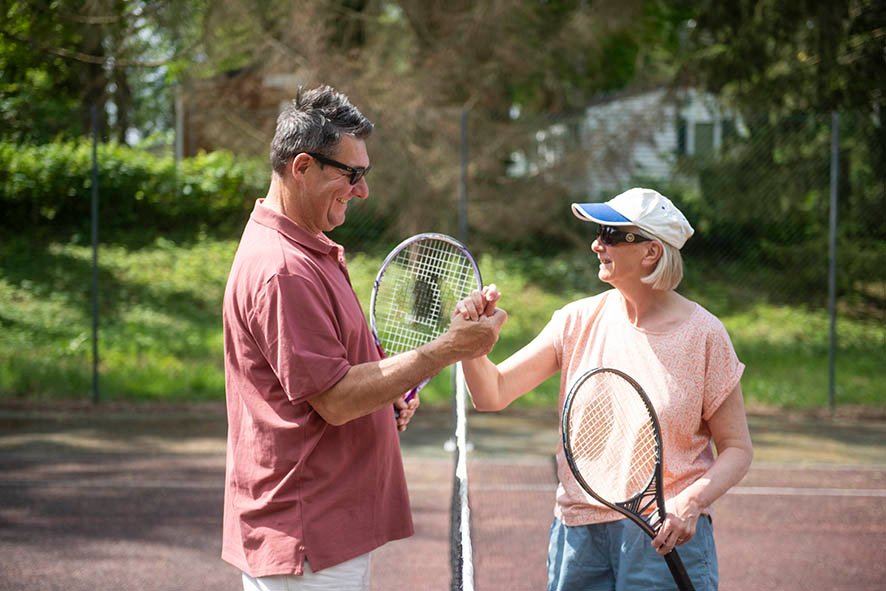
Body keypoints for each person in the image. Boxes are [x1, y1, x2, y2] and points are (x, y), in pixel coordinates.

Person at [221, 85, 505, 591]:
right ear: (302, 167)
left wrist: (384, 396)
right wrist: (448, 348)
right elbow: (335, 399)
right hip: (306, 542)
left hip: (322, 533)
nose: (363, 190)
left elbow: (337, 378)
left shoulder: (305, 249)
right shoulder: (284, 269)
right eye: (352, 175)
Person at [456, 187, 753, 590]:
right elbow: (492, 393)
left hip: (664, 536)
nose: (597, 244)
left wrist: (692, 501)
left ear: (651, 251)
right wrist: (471, 344)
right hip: (578, 536)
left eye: (611, 235)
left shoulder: (704, 335)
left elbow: (737, 448)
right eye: (598, 233)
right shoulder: (576, 320)